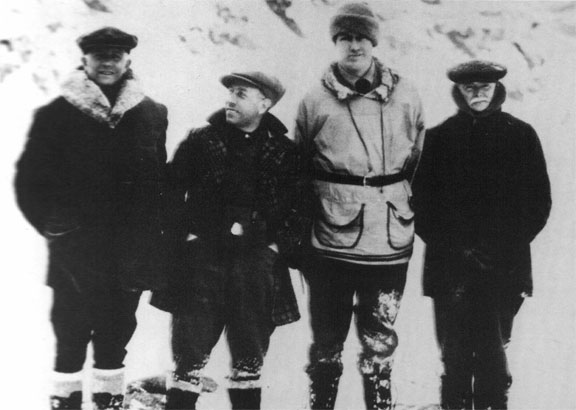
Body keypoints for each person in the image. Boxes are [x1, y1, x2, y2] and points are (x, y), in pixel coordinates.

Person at [14, 27, 169, 410]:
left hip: (129, 250)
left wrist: (152, 236)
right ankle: (65, 403)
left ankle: (108, 401)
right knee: (70, 334)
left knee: (116, 336)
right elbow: (29, 182)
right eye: (99, 56)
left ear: (127, 60)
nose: (107, 63)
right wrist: (56, 229)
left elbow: (159, 181)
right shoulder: (57, 114)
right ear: (84, 60)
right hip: (76, 251)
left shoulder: (151, 113)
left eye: (115, 56)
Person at [294, 2, 425, 409]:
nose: (354, 47)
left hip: (390, 239)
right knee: (327, 338)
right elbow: (297, 165)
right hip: (331, 237)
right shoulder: (315, 99)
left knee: (379, 337)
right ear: (336, 43)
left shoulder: (406, 95)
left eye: (362, 38)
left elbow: (418, 158)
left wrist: (397, 198)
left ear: (373, 42)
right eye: (345, 38)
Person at [153, 71, 301, 410]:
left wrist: (277, 247)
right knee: (188, 357)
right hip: (203, 261)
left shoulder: (285, 150)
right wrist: (185, 238)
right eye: (229, 93)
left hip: (255, 267)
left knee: (249, 359)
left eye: (241, 93)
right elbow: (171, 192)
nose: (230, 99)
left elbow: (301, 205)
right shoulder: (201, 140)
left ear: (265, 103)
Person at [412, 60, 551, 409]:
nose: (477, 93)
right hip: (450, 267)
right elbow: (422, 206)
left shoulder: (521, 135)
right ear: (458, 90)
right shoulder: (439, 138)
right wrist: (457, 249)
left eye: (484, 86)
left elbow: (538, 203)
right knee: (455, 354)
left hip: (503, 267)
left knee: (492, 352)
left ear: (496, 89)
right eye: (470, 86)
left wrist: (501, 247)